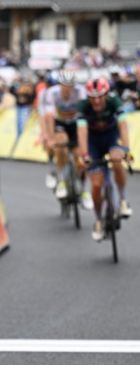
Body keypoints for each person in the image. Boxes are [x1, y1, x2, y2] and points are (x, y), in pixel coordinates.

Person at [76, 77, 132, 242]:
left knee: (117, 159)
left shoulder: (114, 102)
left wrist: (126, 150)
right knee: (96, 184)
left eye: (100, 96)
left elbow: (123, 126)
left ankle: (122, 200)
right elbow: (82, 132)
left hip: (110, 138)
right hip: (93, 143)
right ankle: (99, 220)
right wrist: (85, 156)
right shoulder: (83, 106)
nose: (96, 101)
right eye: (92, 97)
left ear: (106, 94)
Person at [39, 70, 91, 208]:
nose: (68, 89)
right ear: (60, 85)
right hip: (60, 122)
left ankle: (84, 190)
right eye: (65, 85)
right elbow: (49, 117)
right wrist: (50, 138)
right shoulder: (52, 93)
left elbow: (85, 115)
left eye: (70, 85)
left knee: (81, 156)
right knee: (61, 145)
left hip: (76, 123)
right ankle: (61, 180)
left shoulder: (80, 92)